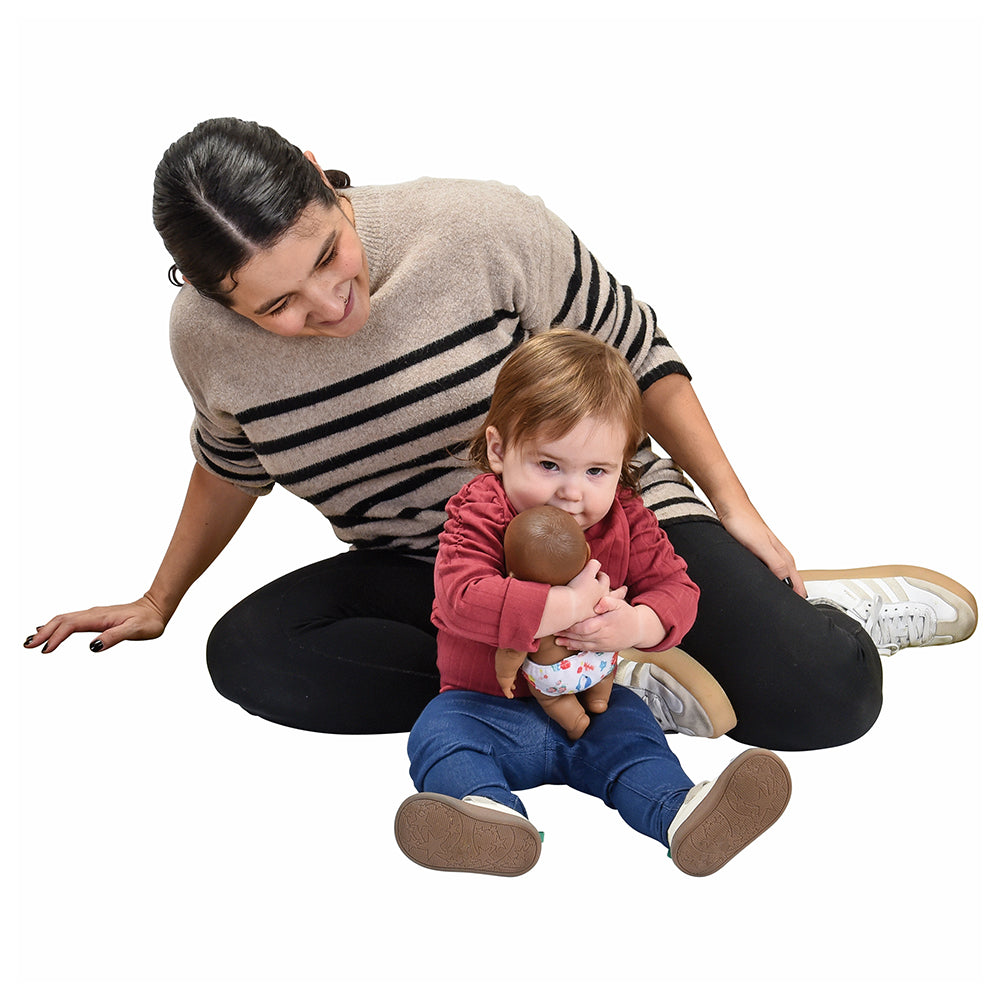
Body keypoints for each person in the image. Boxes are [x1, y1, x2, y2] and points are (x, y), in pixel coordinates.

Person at [22, 117, 977, 752]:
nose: (330, 302)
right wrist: (160, 599)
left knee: (824, 702)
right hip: (443, 569)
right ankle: (596, 683)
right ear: (209, 294)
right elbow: (229, 466)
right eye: (279, 304)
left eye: (328, 253)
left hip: (610, 532)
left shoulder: (479, 229)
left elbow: (642, 356)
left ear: (320, 176)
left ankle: (819, 619)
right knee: (252, 655)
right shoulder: (204, 342)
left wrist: (737, 515)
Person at [395, 329, 790, 877]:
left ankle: (681, 814)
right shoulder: (478, 511)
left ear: (622, 465)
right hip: (486, 708)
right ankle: (487, 818)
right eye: (549, 465)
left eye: (596, 471)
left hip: (592, 706)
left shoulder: (625, 516)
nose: (572, 492)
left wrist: (637, 623)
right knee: (439, 733)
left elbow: (678, 591)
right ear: (499, 450)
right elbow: (462, 599)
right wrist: (568, 603)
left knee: (633, 733)